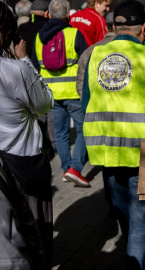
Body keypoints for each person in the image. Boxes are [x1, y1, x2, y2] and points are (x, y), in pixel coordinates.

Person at [82, 1, 145, 269]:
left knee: (126, 218)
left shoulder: (96, 56)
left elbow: (86, 105)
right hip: (144, 154)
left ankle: (132, 257)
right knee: (140, 224)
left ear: (115, 28)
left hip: (107, 153)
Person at [0, 2, 53, 268]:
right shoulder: (14, 70)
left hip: (5, 163)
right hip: (23, 162)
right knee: (36, 230)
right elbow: (44, 104)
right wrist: (24, 60)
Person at [31, 0, 89, 187]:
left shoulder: (40, 37)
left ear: (48, 14)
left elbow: (34, 65)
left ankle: (65, 169)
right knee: (84, 130)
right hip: (73, 93)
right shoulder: (74, 34)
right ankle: (75, 168)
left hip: (52, 94)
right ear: (68, 15)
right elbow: (86, 62)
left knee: (61, 134)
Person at [17, 0, 55, 159]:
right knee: (47, 111)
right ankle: (51, 145)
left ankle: (41, 144)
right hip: (45, 73)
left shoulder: (21, 29)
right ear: (46, 13)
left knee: (34, 113)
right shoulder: (48, 29)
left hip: (24, 73)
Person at [76, 11, 116, 98]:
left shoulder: (89, 51)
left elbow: (81, 85)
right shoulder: (133, 49)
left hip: (96, 107)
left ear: (106, 28)